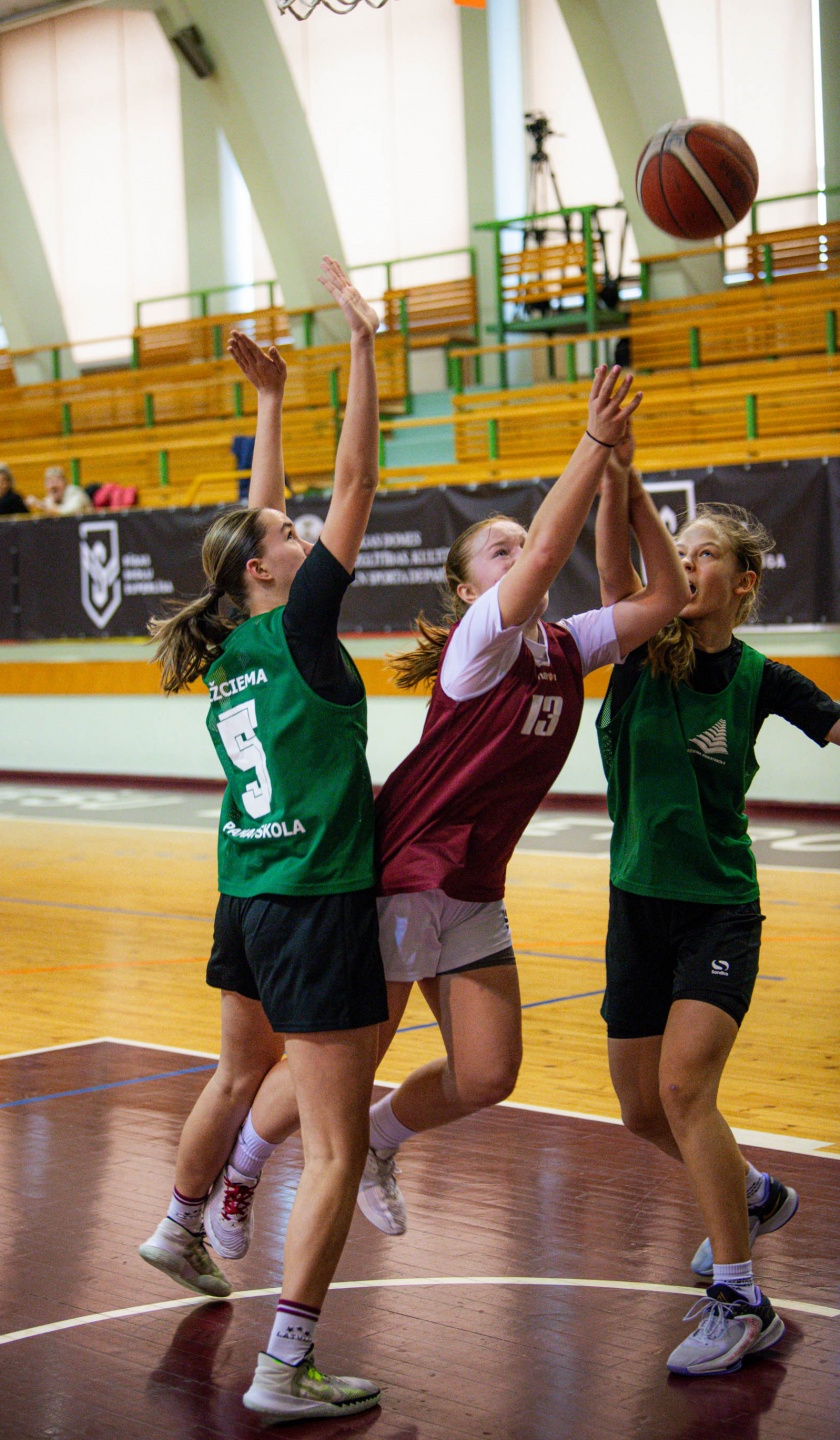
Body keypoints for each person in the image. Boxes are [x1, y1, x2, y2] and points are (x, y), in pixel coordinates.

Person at [185, 381, 687, 1250]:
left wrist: (627, 485)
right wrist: (593, 444)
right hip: (406, 871)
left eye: (520, 542)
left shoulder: (565, 645)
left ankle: (380, 1142)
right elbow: (547, 559)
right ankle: (242, 1173)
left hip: (474, 882)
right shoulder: (480, 641)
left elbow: (666, 600)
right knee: (342, 1064)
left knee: (488, 1074)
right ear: (466, 589)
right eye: (500, 550)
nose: (520, 553)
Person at [139, 259, 387, 1424]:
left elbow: (263, 521)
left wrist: (271, 401)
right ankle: (287, 1366)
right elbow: (358, 479)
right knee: (335, 1146)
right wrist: (364, 344)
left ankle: (179, 1224)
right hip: (315, 894)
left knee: (239, 1072)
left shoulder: (233, 646)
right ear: (267, 572)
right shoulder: (301, 629)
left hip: (246, 890)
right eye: (291, 536)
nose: (304, 532)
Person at [593, 471, 840, 1377]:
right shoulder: (635, 649)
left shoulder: (761, 677)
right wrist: (616, 472)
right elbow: (614, 565)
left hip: (719, 911)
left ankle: (741, 1301)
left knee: (685, 1090)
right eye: (679, 549)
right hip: (635, 906)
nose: (685, 562)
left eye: (705, 554)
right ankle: (755, 1193)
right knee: (639, 1109)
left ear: (742, 582)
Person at [26, 465, 92, 517]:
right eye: (49, 482)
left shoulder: (76, 493)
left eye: (57, 481)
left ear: (66, 483)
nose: (53, 485)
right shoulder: (49, 499)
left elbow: (66, 513)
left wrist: (40, 504)